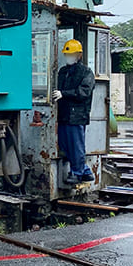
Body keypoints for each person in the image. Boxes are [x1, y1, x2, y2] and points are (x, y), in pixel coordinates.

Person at [52, 39, 95, 184]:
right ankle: (85, 171)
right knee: (65, 145)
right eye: (67, 54)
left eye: (71, 54)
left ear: (79, 55)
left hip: (77, 116)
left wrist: (64, 93)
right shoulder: (63, 71)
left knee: (76, 145)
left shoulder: (86, 72)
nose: (69, 57)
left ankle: (76, 172)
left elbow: (84, 92)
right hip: (64, 114)